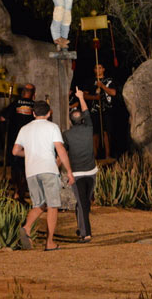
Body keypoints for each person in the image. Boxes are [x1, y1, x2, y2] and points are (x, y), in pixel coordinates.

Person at [12, 100, 75, 251]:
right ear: (49, 113)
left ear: (33, 113)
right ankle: (50, 242)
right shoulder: (52, 127)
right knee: (53, 205)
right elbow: (60, 149)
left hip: (31, 171)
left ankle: (27, 228)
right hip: (48, 168)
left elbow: (15, 151)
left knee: (39, 204)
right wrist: (69, 171)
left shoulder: (25, 129)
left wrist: (31, 153)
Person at [62, 87, 96, 243]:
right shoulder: (89, 128)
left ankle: (86, 233)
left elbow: (63, 154)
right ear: (82, 119)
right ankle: (82, 227)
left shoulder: (67, 135)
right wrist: (81, 97)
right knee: (85, 202)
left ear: (71, 121)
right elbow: (86, 111)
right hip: (91, 172)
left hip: (77, 173)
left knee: (82, 204)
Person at [0, 83, 36, 201]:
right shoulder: (35, 106)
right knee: (27, 168)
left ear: (22, 93)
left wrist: (5, 131)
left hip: (15, 141)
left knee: (15, 167)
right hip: (31, 141)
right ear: (33, 95)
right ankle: (22, 192)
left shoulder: (14, 104)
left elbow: (2, 118)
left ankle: (16, 192)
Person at [84, 64, 117, 159]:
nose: (97, 70)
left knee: (107, 132)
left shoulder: (109, 80)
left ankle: (108, 155)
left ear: (103, 69)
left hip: (107, 110)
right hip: (94, 110)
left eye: (99, 68)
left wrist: (102, 86)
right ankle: (95, 156)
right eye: (95, 68)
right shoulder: (90, 81)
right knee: (95, 133)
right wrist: (94, 97)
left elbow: (113, 93)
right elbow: (85, 95)